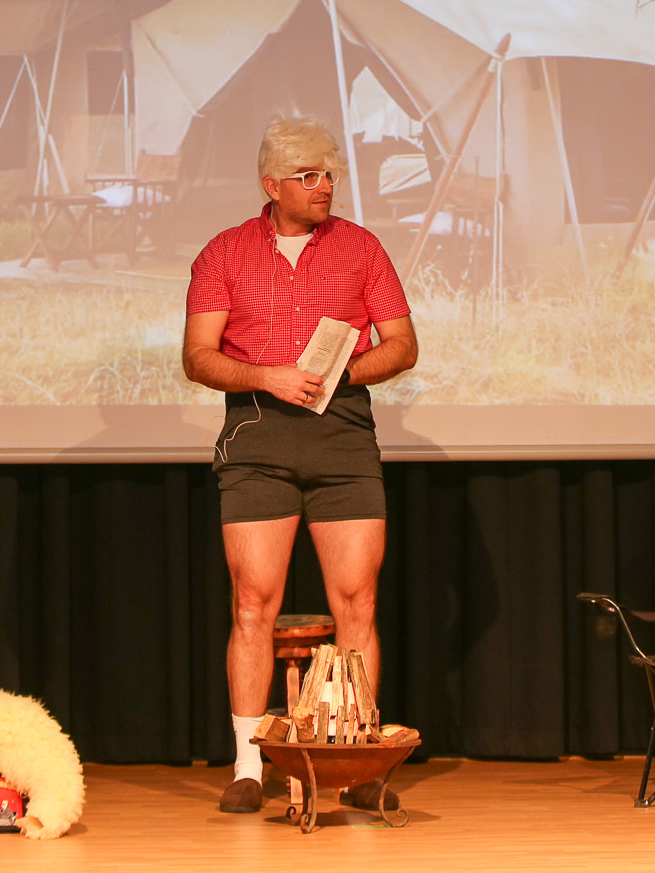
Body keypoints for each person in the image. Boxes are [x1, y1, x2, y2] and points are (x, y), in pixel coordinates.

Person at [183, 116, 418, 815]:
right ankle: (246, 763)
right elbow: (198, 356)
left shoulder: (360, 247)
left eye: (328, 174)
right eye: (307, 176)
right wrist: (268, 377)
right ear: (271, 185)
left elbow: (402, 344)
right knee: (253, 602)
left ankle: (361, 758)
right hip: (257, 437)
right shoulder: (225, 252)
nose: (324, 186)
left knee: (358, 601)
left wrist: (340, 373)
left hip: (341, 436)